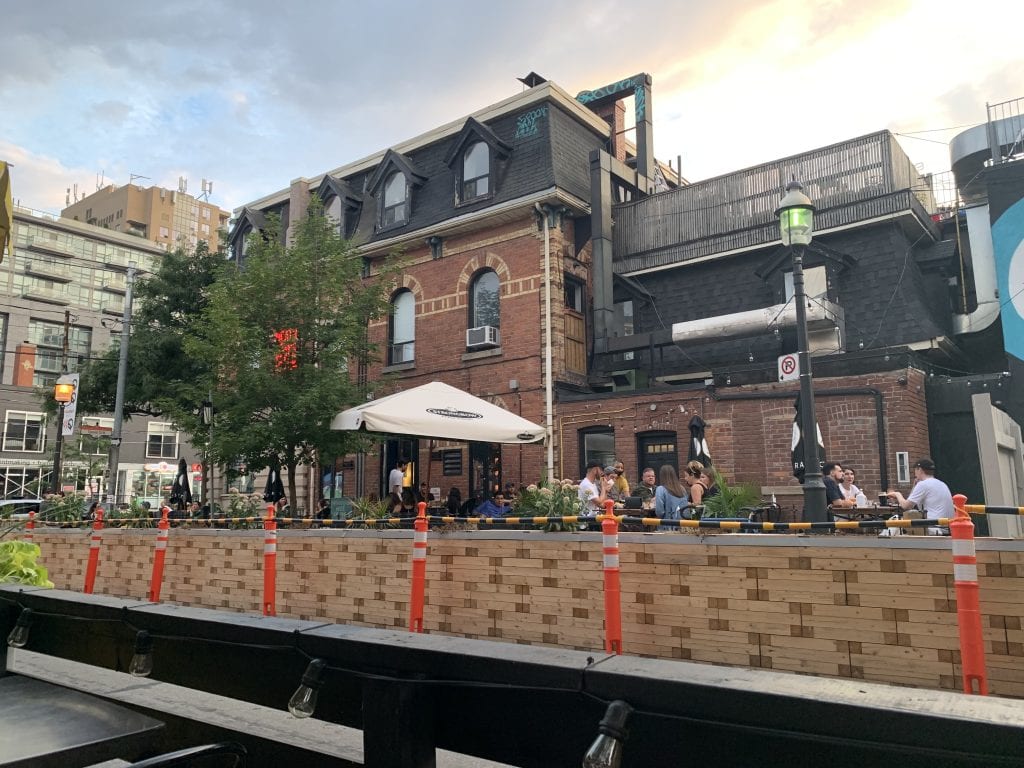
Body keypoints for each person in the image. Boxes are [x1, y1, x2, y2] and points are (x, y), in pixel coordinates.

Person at [887, 458, 953, 535]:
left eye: (915, 470)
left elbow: (906, 506)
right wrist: (915, 486)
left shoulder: (923, 484)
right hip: (948, 528)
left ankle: (886, 545)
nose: (914, 473)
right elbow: (912, 502)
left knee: (895, 520)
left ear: (920, 469)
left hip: (934, 527)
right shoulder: (942, 483)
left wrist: (897, 494)